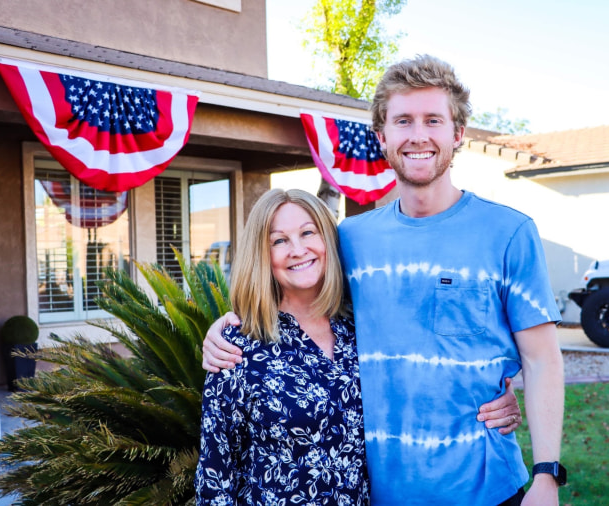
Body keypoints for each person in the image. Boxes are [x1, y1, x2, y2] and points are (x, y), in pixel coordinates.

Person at [204, 54, 563, 506]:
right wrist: (227, 325)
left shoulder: (510, 233)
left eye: (433, 120)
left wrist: (547, 474)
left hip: (488, 489)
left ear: (457, 133)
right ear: (382, 137)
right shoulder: (350, 239)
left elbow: (544, 360)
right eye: (403, 121)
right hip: (380, 494)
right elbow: (295, 286)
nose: (418, 135)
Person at [195, 189, 369, 505]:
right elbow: (215, 479)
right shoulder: (237, 348)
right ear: (263, 255)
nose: (297, 249)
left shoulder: (362, 329)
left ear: (327, 240)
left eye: (307, 233)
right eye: (279, 241)